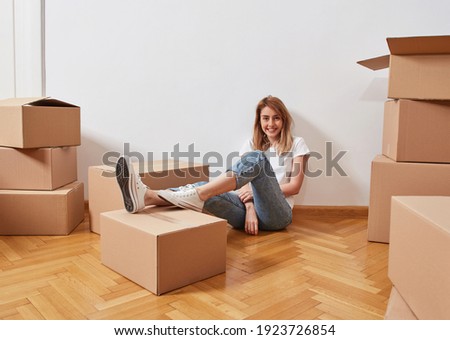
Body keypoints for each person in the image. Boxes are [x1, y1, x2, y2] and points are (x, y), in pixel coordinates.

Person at [115, 95, 310, 235]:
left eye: (276, 118)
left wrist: (253, 194)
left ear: (284, 120)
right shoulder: (251, 143)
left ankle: (195, 194)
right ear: (259, 121)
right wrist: (250, 208)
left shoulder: (297, 144)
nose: (271, 123)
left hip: (277, 215)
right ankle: (147, 197)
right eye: (265, 118)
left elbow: (295, 187)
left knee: (257, 158)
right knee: (202, 189)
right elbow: (243, 185)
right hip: (246, 213)